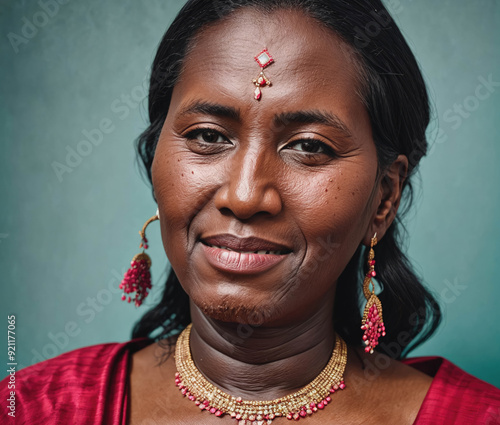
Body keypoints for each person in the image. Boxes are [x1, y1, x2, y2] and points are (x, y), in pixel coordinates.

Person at [2, 0, 500, 424]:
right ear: (156, 161)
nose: (243, 196)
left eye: (309, 146)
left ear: (384, 198)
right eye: (206, 136)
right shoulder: (32, 408)